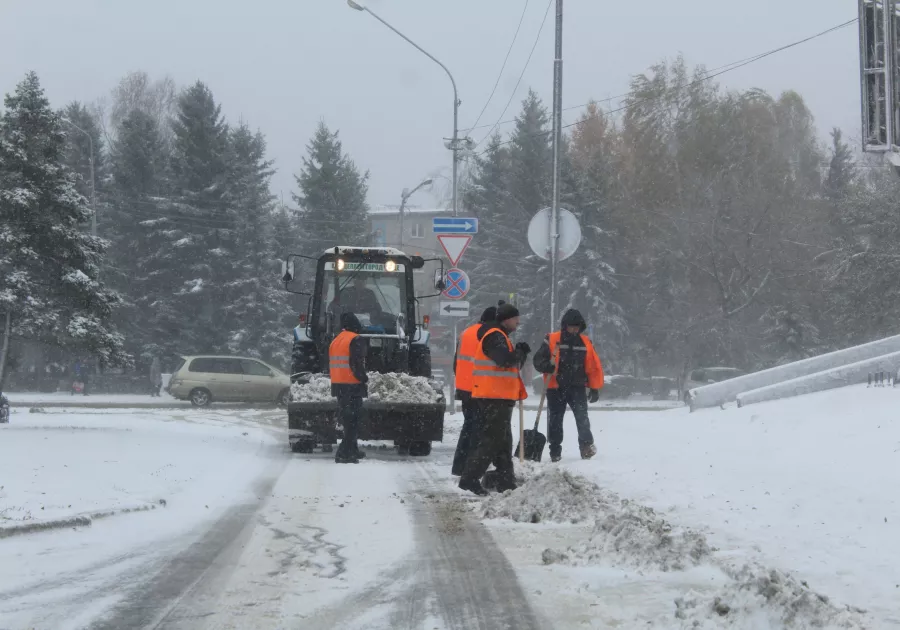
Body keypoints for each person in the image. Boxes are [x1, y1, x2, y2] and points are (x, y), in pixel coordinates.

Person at [458, 303, 530, 496]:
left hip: (500, 396)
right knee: (491, 440)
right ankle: (470, 478)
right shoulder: (494, 336)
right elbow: (504, 361)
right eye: (516, 318)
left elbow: (511, 364)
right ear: (506, 319)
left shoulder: (499, 336)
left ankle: (506, 481)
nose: (518, 322)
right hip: (493, 396)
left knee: (503, 441)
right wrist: (520, 352)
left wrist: (520, 354)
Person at [533, 309, 604, 462]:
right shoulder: (551, 339)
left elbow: (593, 366)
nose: (574, 330)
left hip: (577, 387)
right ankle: (555, 451)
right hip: (555, 387)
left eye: (577, 327)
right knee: (555, 420)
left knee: (582, 418)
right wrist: (547, 366)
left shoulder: (585, 342)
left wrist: (594, 387)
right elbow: (538, 360)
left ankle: (586, 447)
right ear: (565, 326)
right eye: (571, 326)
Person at [451, 306, 497, 476]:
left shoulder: (466, 333)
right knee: (478, 430)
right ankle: (470, 469)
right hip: (480, 389)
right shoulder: (488, 335)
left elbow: (457, 363)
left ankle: (460, 466)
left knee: (469, 427)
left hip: (464, 389)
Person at [329, 312, 369, 464]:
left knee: (347, 419)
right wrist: (363, 378)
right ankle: (343, 453)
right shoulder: (355, 339)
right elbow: (356, 363)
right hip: (352, 385)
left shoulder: (336, 340)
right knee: (354, 420)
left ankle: (353, 449)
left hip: (339, 385)